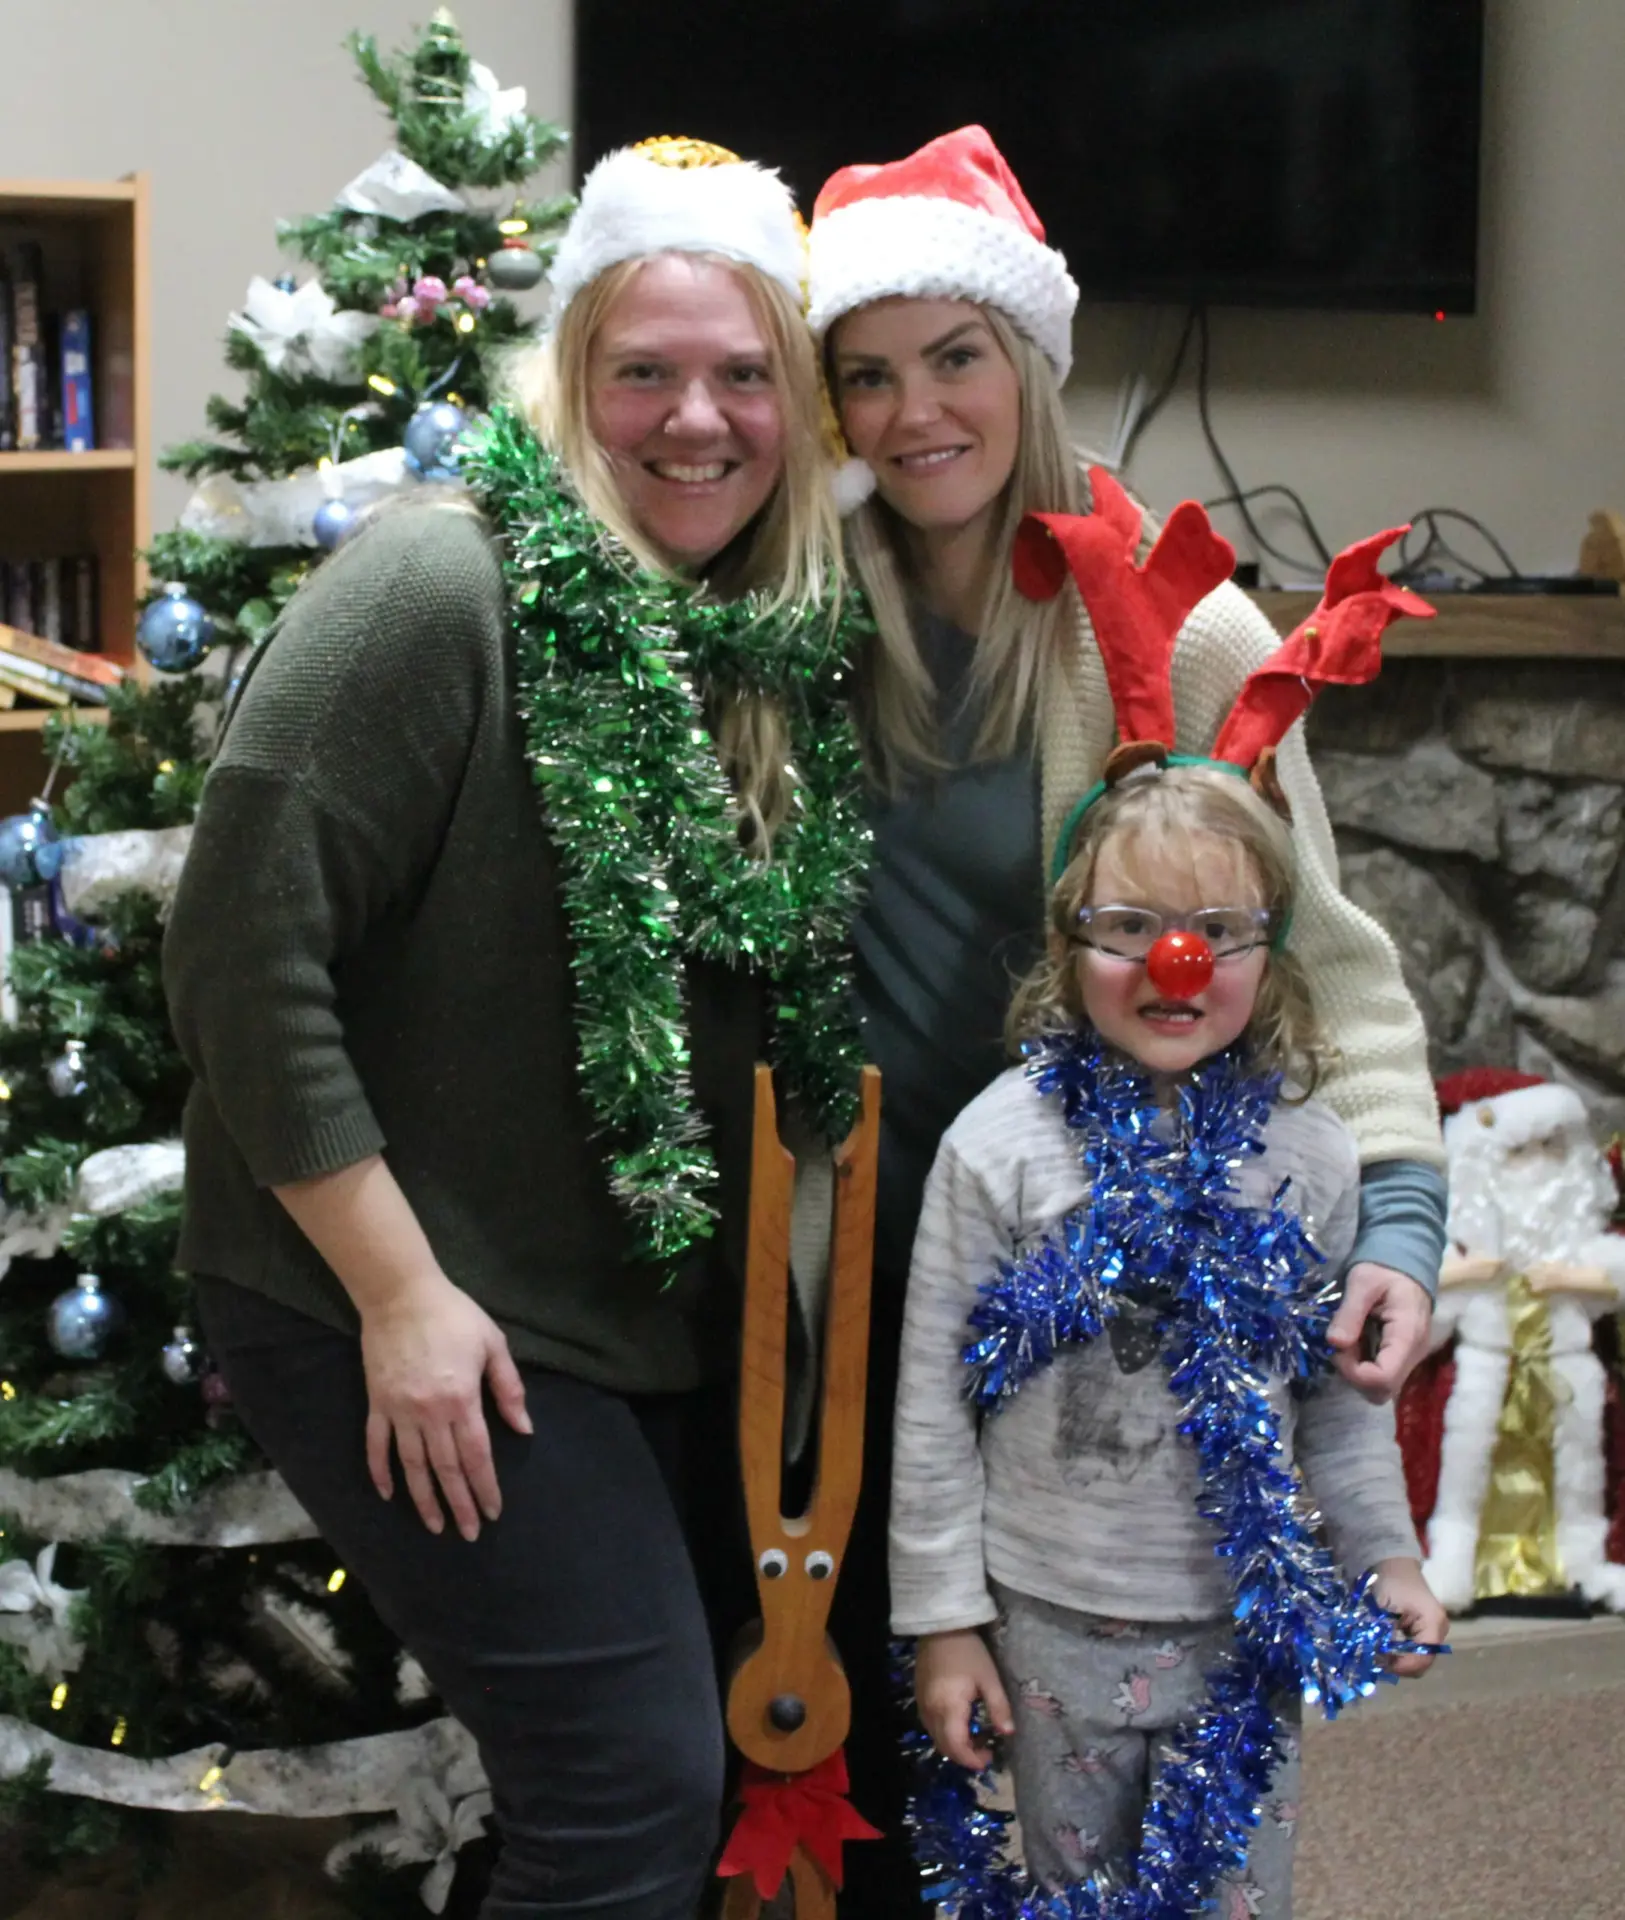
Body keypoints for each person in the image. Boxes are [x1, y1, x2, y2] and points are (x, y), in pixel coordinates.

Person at [163, 138, 863, 1920]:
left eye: (738, 377)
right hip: (385, 1279)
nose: (692, 419)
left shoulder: (767, 652)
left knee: (668, 1769)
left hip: (612, 1309)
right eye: (644, 370)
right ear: (573, 382)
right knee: (627, 1782)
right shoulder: (437, 588)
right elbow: (239, 951)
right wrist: (400, 1297)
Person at [803, 124, 1449, 1915]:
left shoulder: (1191, 632)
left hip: (1091, 1258)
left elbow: (1332, 963)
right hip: (865, 1239)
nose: (917, 409)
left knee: (1112, 1731)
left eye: (956, 357)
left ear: (1024, 361)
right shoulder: (793, 625)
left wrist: (1396, 1210)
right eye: (867, 371)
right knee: (873, 1704)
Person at [892, 755, 1450, 1919]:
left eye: (1213, 929)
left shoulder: (1313, 1157)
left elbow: (1336, 1403)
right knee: (1072, 1893)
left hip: (1235, 1625)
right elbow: (930, 1406)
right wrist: (944, 1622)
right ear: (1064, 941)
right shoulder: (996, 1149)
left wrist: (1382, 1558)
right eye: (1128, 926)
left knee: (1234, 1901)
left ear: (1269, 950)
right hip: (1043, 1617)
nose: (1173, 961)